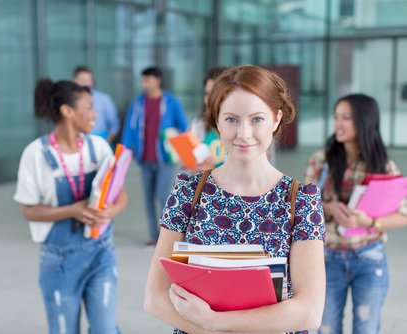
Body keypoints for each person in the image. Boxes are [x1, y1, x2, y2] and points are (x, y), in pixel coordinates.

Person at [144, 65, 326, 334]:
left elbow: (309, 311)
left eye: (256, 119)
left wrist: (215, 323)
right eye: (231, 119)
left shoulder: (300, 200)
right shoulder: (187, 190)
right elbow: (155, 298)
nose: (243, 133)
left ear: (276, 119)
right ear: (216, 120)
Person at [14, 79, 128, 334]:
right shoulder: (35, 155)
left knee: (106, 329)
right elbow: (28, 210)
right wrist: (73, 210)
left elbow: (121, 195)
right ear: (67, 111)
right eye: (88, 107)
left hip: (101, 252)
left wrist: (111, 211)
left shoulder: (98, 147)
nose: (94, 114)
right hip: (59, 261)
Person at [304, 94, 407, 334]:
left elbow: (403, 214)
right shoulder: (321, 161)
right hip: (327, 258)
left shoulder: (384, 166)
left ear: (363, 121)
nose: (338, 124)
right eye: (336, 117)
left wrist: (370, 221)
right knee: (326, 328)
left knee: (367, 328)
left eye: (346, 118)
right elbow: (303, 207)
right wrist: (329, 208)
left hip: (369, 258)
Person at [121, 66, 188, 246]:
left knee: (163, 196)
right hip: (145, 158)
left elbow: (184, 128)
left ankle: (166, 237)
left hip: (165, 159)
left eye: (147, 80)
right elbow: (129, 130)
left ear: (157, 80)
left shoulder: (171, 102)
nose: (144, 83)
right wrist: (123, 155)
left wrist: (186, 156)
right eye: (143, 80)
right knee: (148, 199)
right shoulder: (137, 103)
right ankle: (154, 236)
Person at [188, 66, 227, 174]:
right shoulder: (197, 125)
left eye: (215, 94)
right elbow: (187, 169)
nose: (210, 99)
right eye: (207, 94)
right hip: (206, 188)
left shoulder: (246, 128)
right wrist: (195, 168)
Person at [73, 66, 120, 143]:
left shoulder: (104, 99)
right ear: (74, 81)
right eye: (81, 80)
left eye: (87, 80)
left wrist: (107, 141)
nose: (84, 83)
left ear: (92, 81)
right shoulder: (69, 100)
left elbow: (114, 124)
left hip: (101, 139)